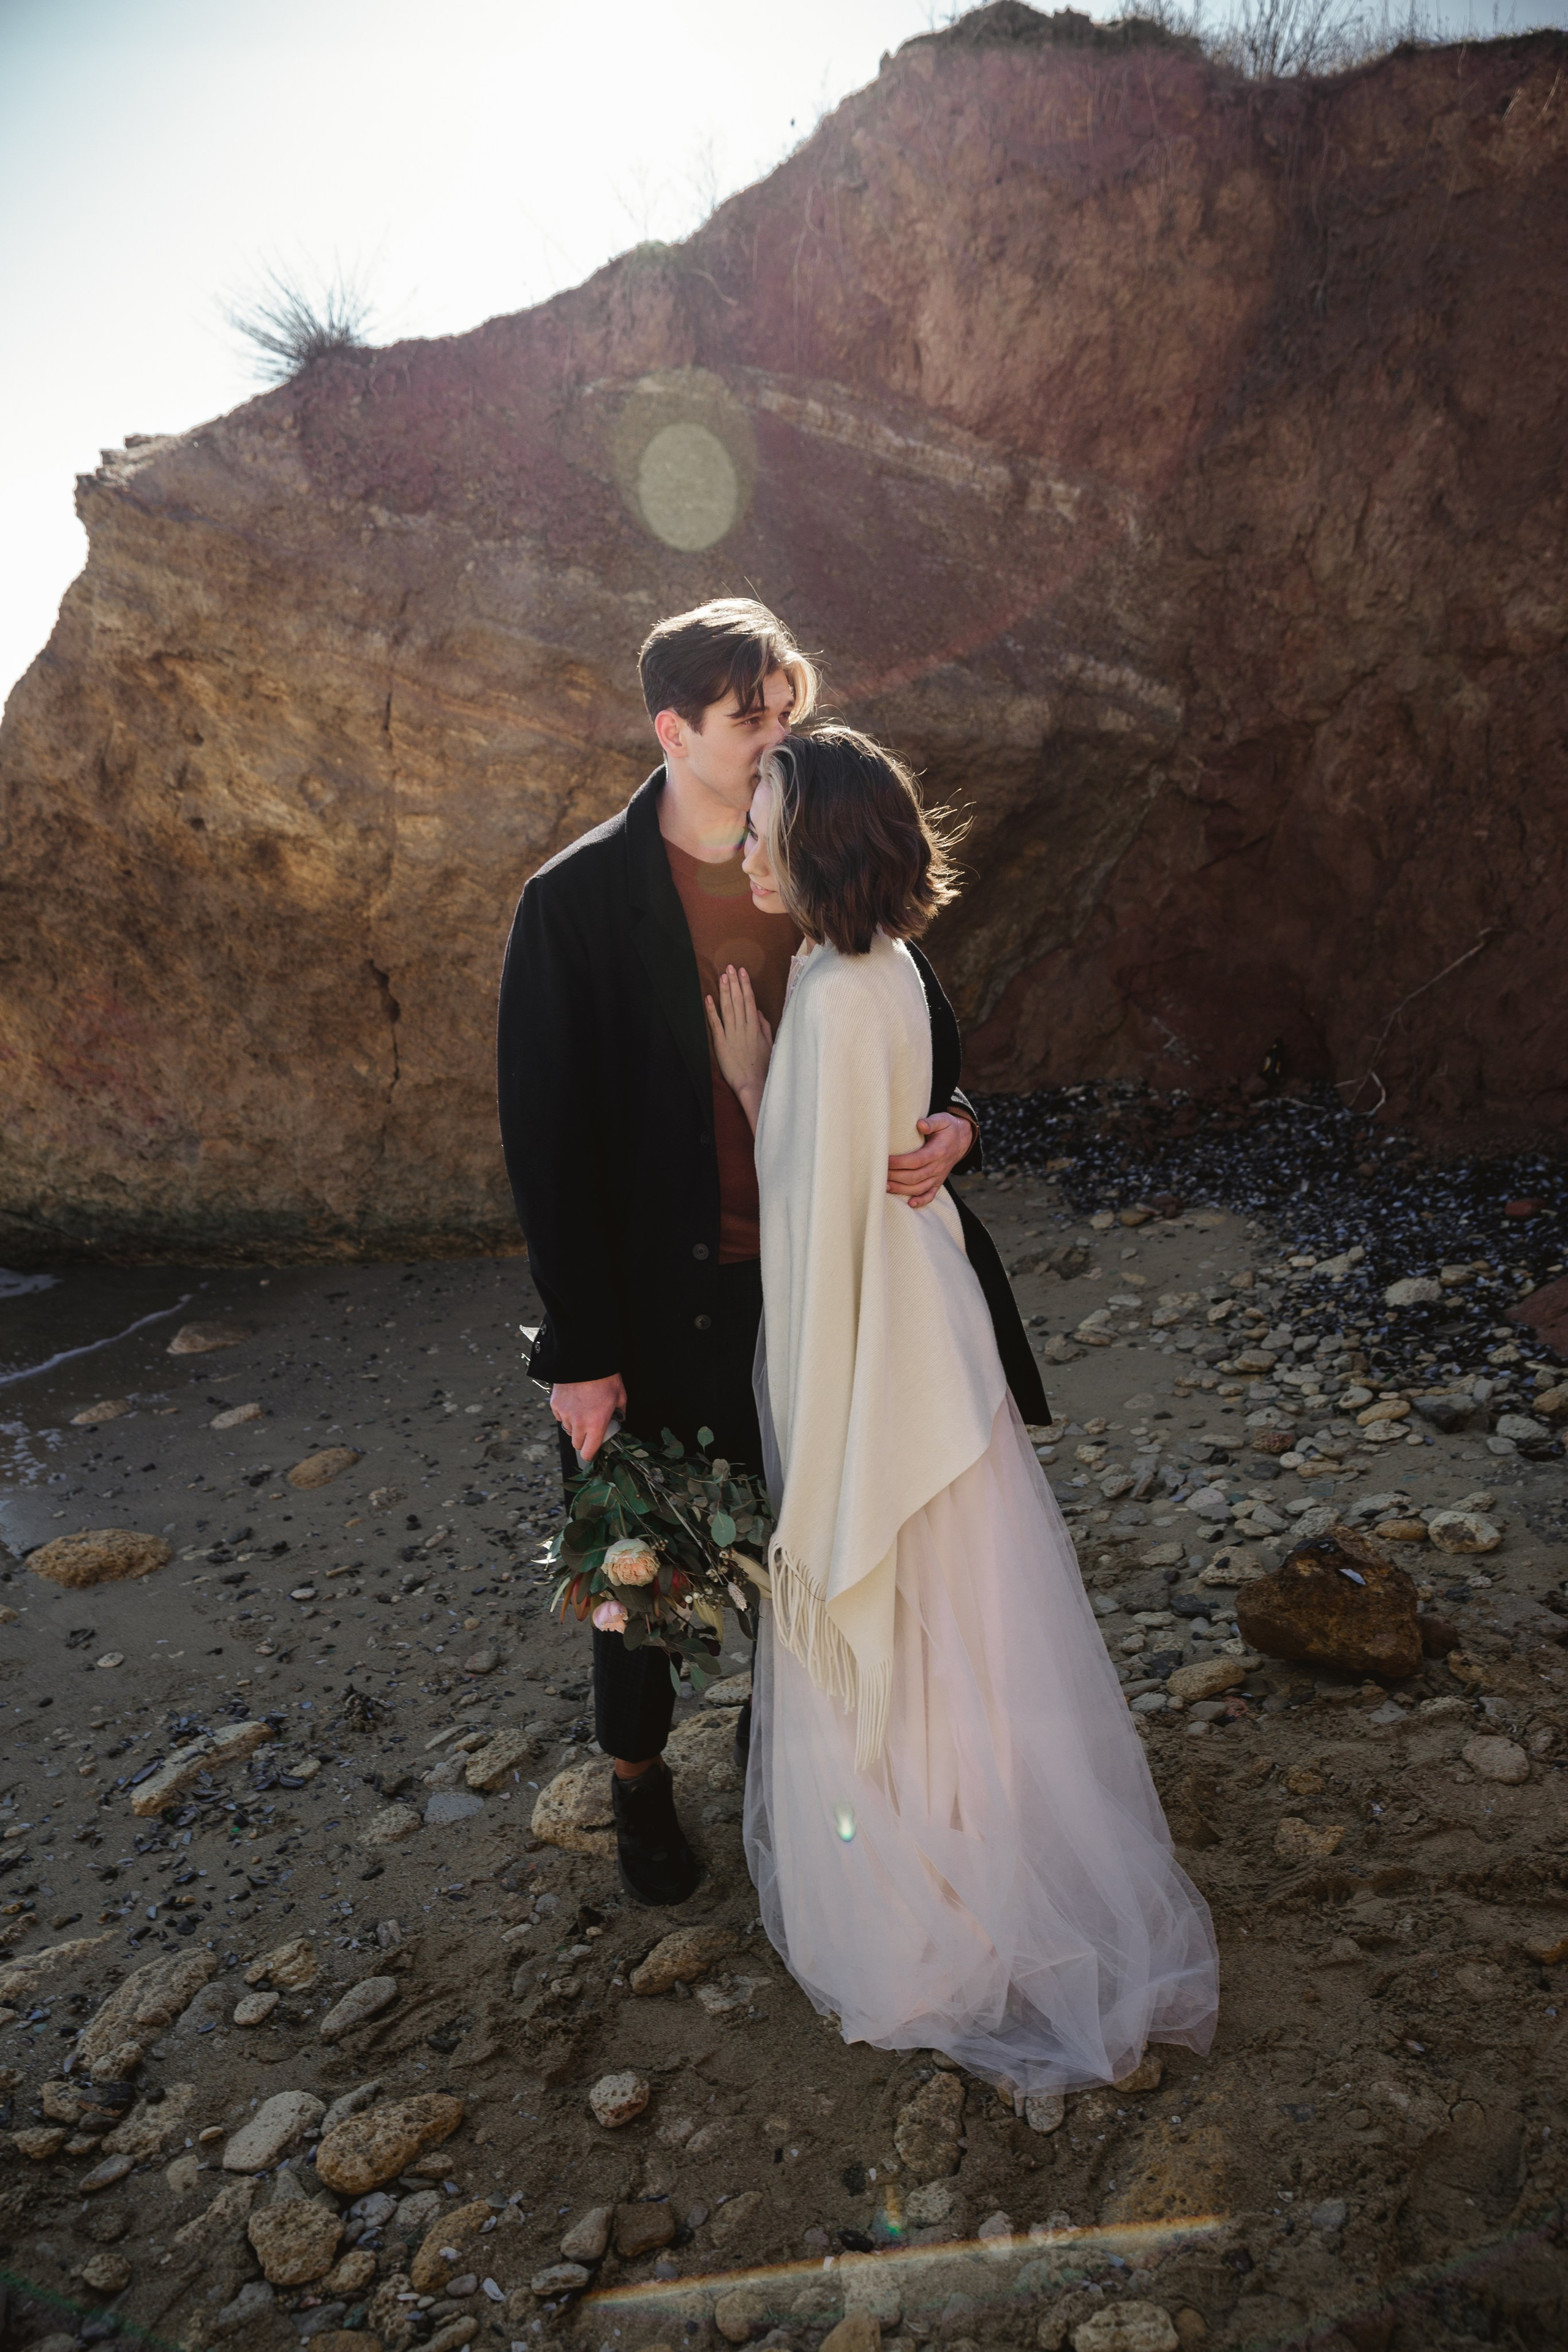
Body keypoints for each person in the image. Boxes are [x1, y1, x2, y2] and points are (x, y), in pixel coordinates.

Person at [496, 600, 1046, 1907]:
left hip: (816, 1296)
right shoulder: (572, 903)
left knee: (809, 1551)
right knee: (637, 1571)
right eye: (751, 716)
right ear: (673, 729)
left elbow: (930, 1041)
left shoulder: (810, 857)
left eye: (785, 710)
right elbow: (546, 1146)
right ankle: (635, 1787)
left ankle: (783, 1771)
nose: (776, 736)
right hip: (650, 1308)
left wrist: (959, 1124)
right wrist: (578, 1357)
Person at [704, 725, 1219, 2091]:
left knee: (914, 1628)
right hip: (934, 1350)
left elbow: (816, 1235)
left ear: (812, 838)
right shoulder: (865, 967)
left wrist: (815, 1449)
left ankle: (931, 1929)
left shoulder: (831, 994)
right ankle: (988, 1879)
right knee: (968, 1639)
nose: (737, 845)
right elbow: (884, 1128)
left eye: (758, 821)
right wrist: (926, 1115)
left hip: (884, 1362)